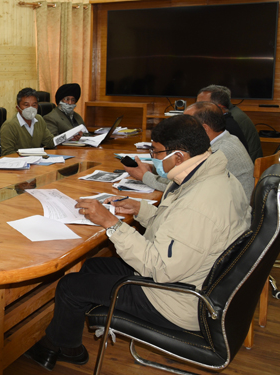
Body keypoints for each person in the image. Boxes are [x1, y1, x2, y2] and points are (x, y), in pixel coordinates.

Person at [23, 115, 251, 371]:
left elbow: (160, 268)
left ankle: (63, 348)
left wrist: (112, 223)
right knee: (92, 268)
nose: (152, 159)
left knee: (70, 286)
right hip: (190, 275)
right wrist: (140, 209)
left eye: (156, 152)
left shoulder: (199, 202)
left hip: (174, 298)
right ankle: (70, 335)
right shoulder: (212, 176)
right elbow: (178, 228)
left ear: (179, 157)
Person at [124, 103, 254, 201]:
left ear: (203, 128)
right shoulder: (227, 139)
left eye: (187, 122)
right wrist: (155, 168)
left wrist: (145, 176)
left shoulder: (221, 151)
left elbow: (182, 187)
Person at [197, 85, 262, 160]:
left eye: (201, 105)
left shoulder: (227, 122)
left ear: (219, 107)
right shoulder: (230, 114)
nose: (197, 108)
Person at [0, 88, 58, 156]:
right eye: (26, 105)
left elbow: (50, 142)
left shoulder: (39, 120)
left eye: (34, 105)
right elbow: (7, 153)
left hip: (37, 163)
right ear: (18, 107)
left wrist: (68, 136)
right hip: (19, 164)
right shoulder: (9, 125)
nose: (30, 108)